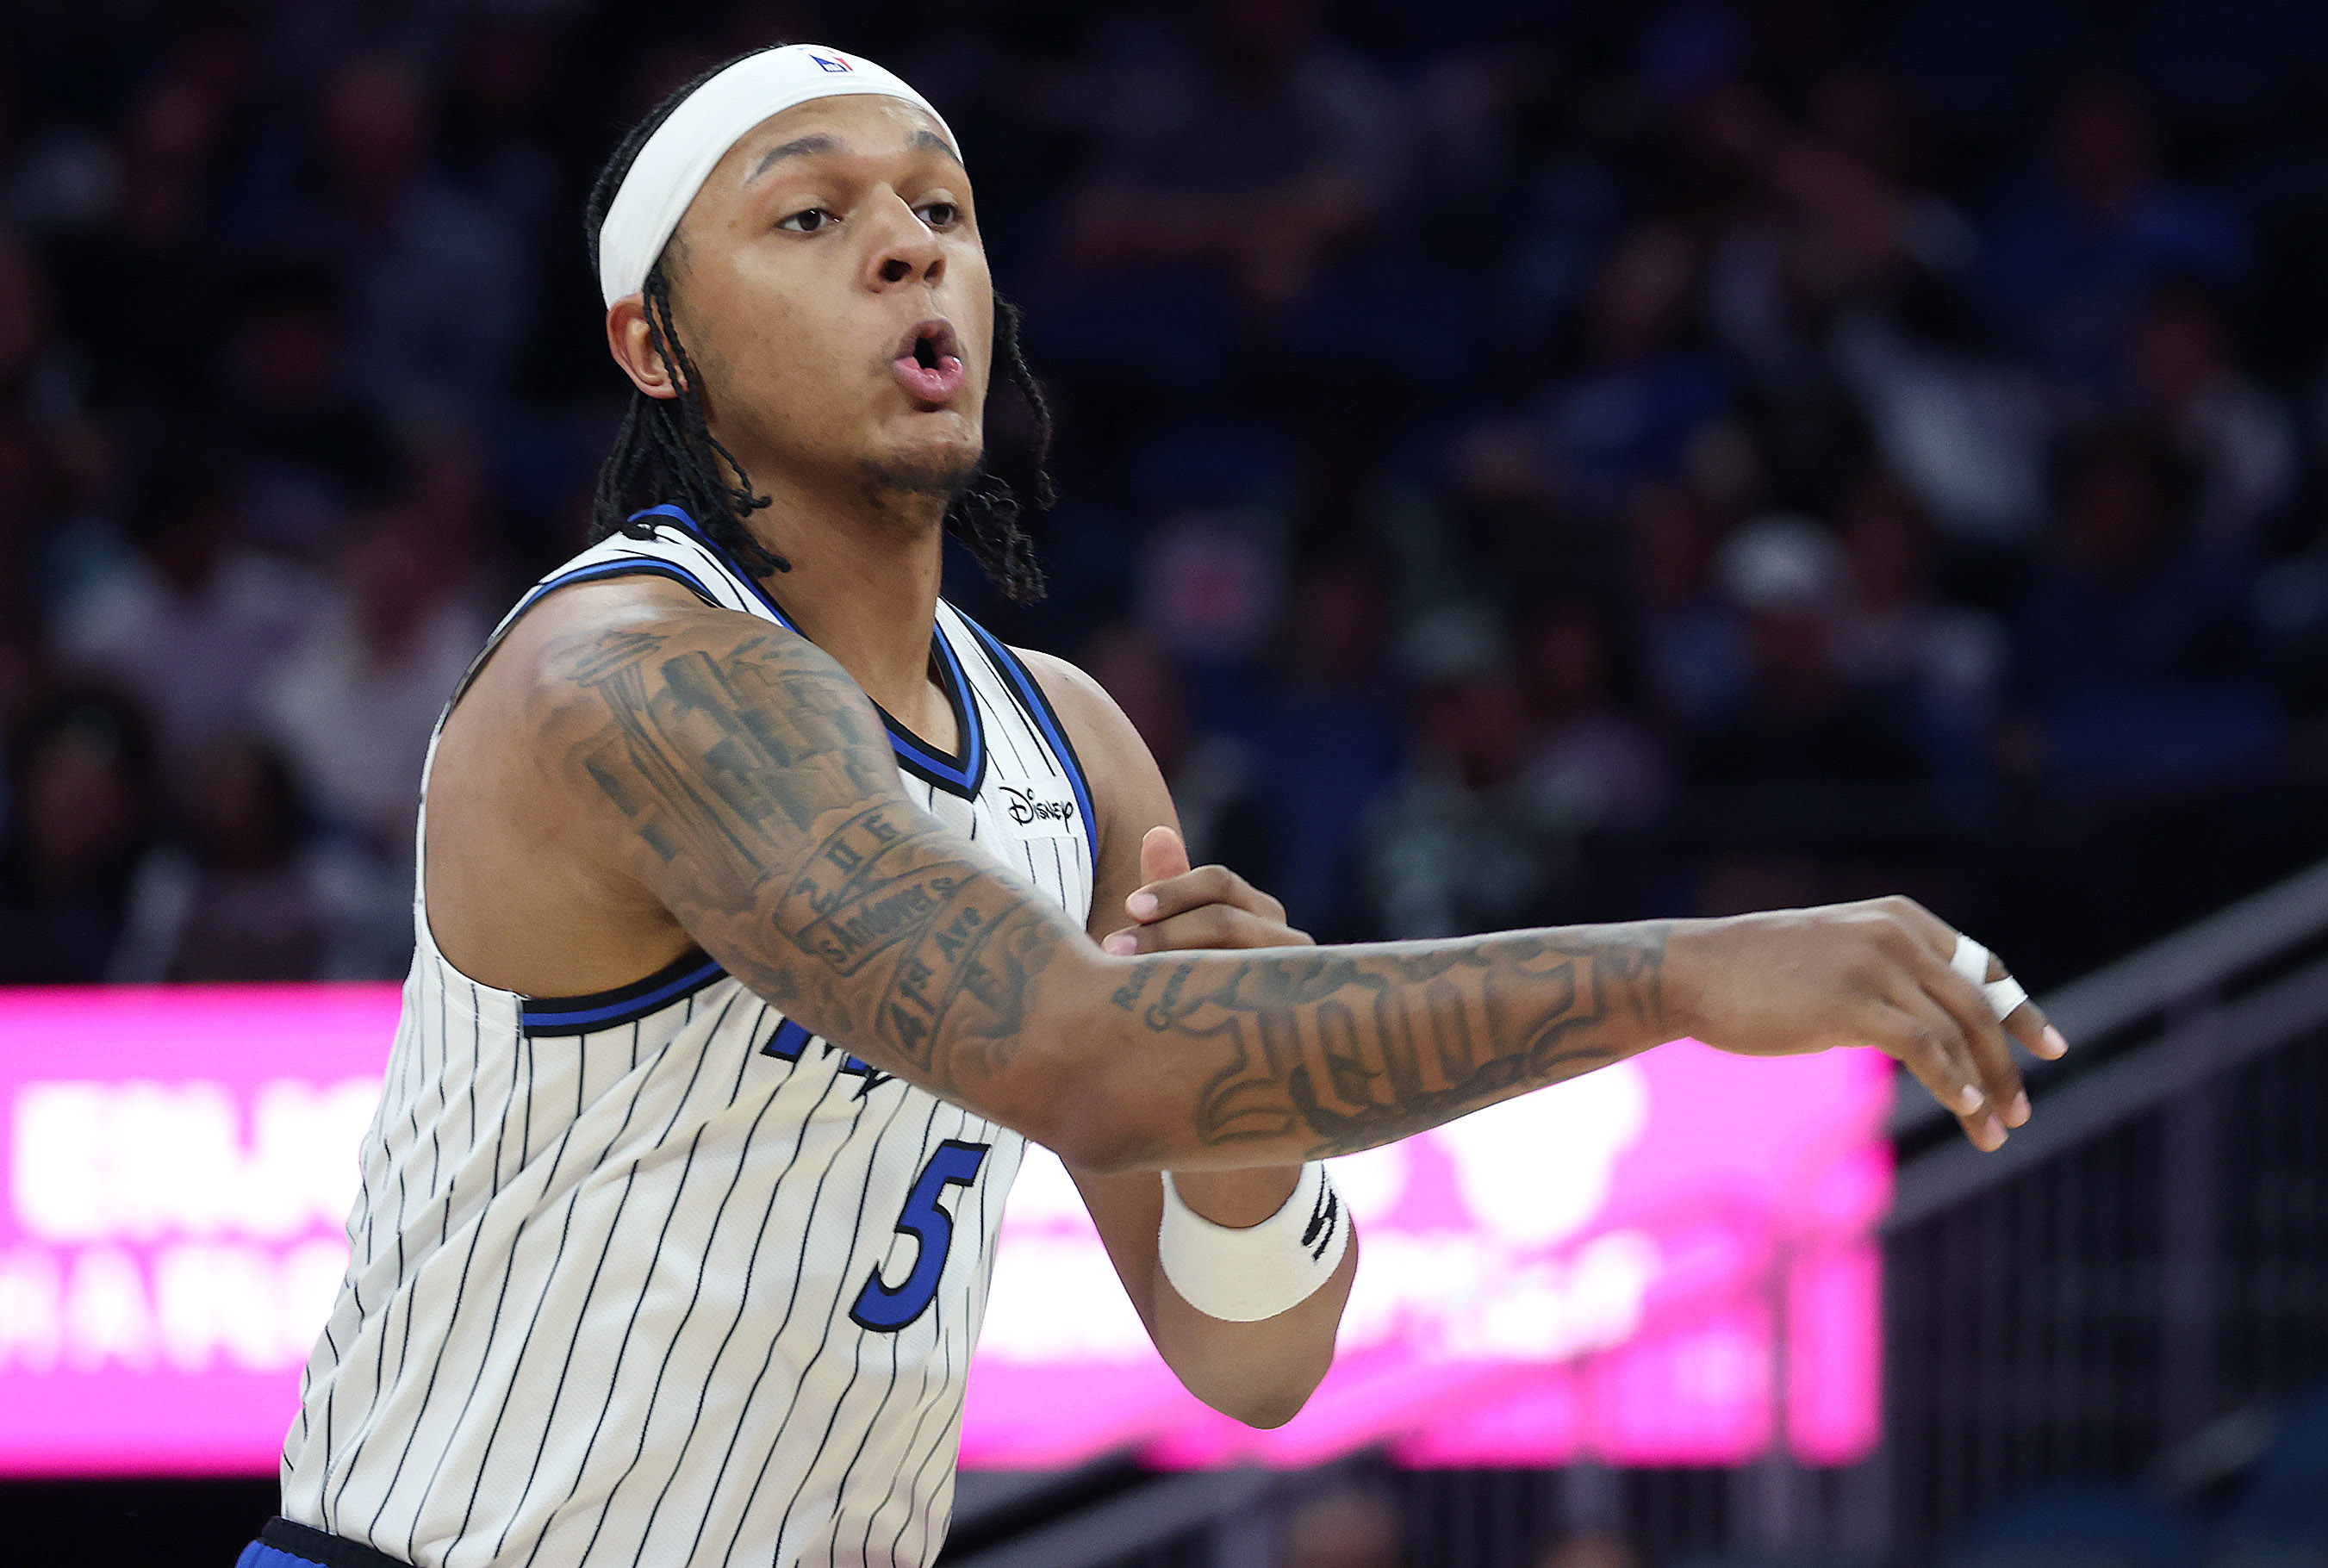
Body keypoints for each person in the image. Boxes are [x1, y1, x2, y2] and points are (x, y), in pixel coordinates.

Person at [248, 46, 2059, 1568]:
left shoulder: (1072, 746)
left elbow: (1250, 1356)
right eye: (814, 216)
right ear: (656, 345)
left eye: (939, 209)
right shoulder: (628, 680)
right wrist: (1679, 977)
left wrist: (1243, 1124)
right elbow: (1084, 1056)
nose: (906, 250)